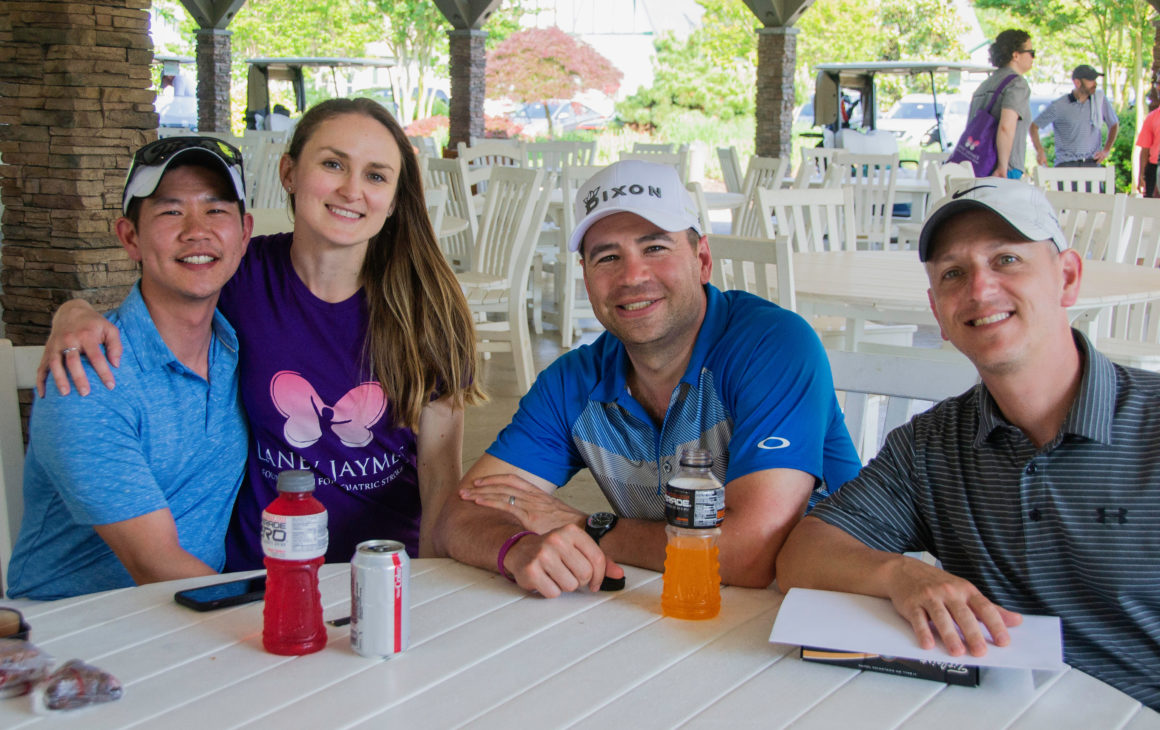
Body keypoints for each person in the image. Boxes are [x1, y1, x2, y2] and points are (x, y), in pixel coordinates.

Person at [37, 98, 483, 569]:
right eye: (333, 164)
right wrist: (74, 311)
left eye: (376, 176)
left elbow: (440, 481)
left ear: (395, 198)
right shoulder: (240, 276)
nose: (352, 190)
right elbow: (162, 292)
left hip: (379, 566)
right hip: (260, 570)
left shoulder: (426, 305)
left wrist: (428, 587)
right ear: (289, 172)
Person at [776, 177, 1160, 711]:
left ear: (1067, 278)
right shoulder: (931, 445)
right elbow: (803, 554)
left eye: (1006, 260)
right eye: (954, 273)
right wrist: (900, 573)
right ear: (939, 314)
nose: (979, 290)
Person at [432, 160, 861, 597]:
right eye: (608, 257)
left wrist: (587, 526)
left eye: (655, 248)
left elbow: (751, 554)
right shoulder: (573, 383)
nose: (632, 276)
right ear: (586, 278)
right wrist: (517, 546)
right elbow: (460, 516)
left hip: (826, 613)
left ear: (703, 260)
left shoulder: (772, 344)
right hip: (676, 611)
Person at [6, 137, 254, 599]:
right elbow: (153, 562)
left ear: (245, 235)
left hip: (196, 627)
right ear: (130, 237)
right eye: (170, 211)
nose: (196, 230)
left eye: (216, 210)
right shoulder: (87, 376)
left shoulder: (238, 343)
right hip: (80, 635)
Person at [969, 29, 1035, 179]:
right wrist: (1002, 166)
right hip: (1003, 169)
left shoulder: (985, 85)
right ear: (1016, 55)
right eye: (1031, 52)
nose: (1033, 58)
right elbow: (1006, 126)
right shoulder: (1017, 84)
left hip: (978, 164)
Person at [1030, 64, 1119, 168]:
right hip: (1066, 164)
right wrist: (1039, 151)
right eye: (1090, 80)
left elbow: (1114, 124)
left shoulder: (1099, 101)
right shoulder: (1059, 105)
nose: (1095, 83)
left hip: (1091, 163)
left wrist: (1106, 150)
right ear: (1077, 82)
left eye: (1095, 80)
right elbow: (1034, 127)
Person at [1136, 76, 1160, 198]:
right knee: (1151, 211)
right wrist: (1141, 174)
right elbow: (1145, 148)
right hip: (1154, 169)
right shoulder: (1152, 117)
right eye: (1158, 84)